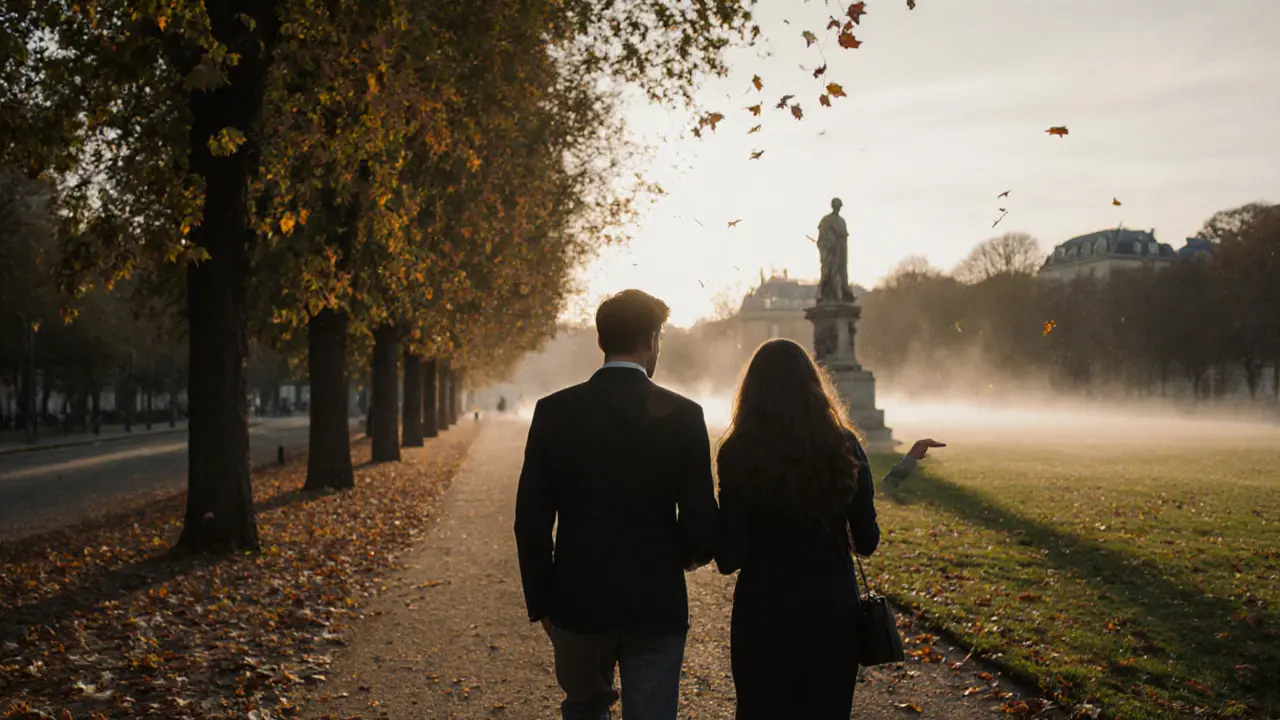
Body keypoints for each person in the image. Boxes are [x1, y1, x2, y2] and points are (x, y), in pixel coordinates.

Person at [714, 338, 944, 720]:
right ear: (813, 384)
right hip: (830, 611)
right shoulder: (844, 446)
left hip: (764, 610)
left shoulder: (738, 450)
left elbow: (729, 557)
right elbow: (867, 541)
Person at [515, 289, 718, 720]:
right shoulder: (685, 415)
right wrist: (679, 556)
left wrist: (543, 604)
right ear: (651, 338)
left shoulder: (554, 412)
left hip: (577, 600)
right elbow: (701, 520)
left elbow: (531, 521)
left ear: (601, 340)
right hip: (655, 602)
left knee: (584, 709)